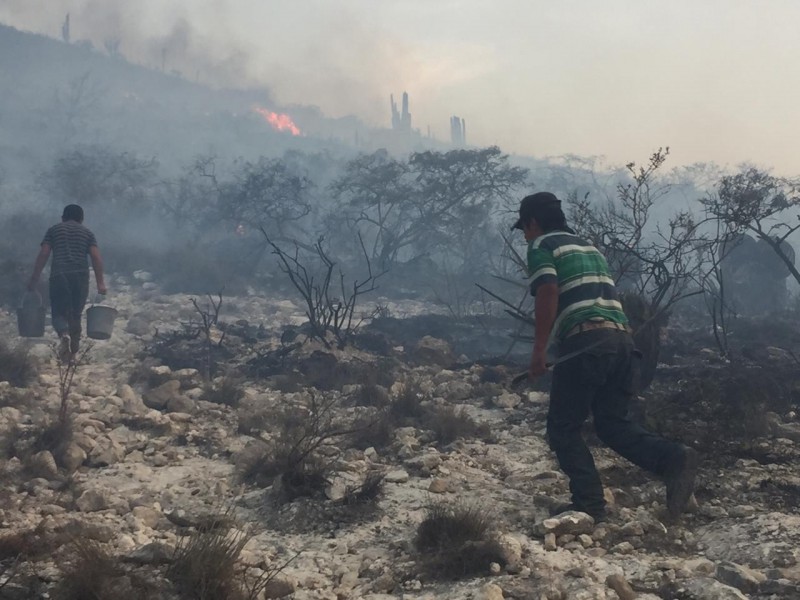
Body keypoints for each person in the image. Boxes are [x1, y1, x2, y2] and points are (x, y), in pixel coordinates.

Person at [513, 192, 697, 521]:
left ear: (533, 222)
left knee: (563, 428)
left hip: (586, 340)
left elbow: (548, 290)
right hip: (623, 341)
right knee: (613, 424)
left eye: (524, 228)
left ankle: (589, 503)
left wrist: (539, 351)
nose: (524, 235)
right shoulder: (588, 246)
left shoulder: (542, 246)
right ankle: (673, 458)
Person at [27, 204, 106, 360]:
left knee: (58, 312)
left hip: (59, 275)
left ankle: (64, 334)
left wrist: (34, 279)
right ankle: (73, 353)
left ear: (63, 217)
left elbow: (44, 254)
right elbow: (96, 257)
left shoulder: (54, 230)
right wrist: (100, 283)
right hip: (80, 276)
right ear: (81, 219)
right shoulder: (87, 233)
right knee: (76, 314)